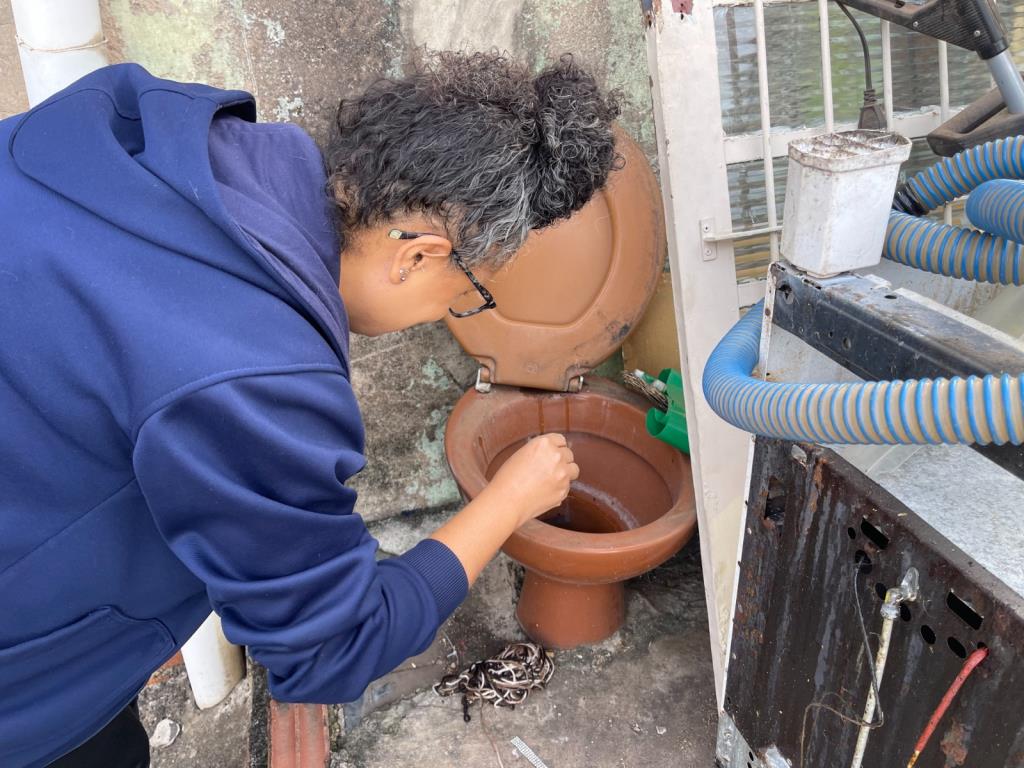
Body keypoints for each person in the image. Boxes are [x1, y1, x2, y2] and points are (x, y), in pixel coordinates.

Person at [0, 51, 620, 767]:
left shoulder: (161, 124)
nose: (448, 313)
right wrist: (507, 502)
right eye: (465, 296)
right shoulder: (256, 372)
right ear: (417, 256)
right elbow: (331, 650)